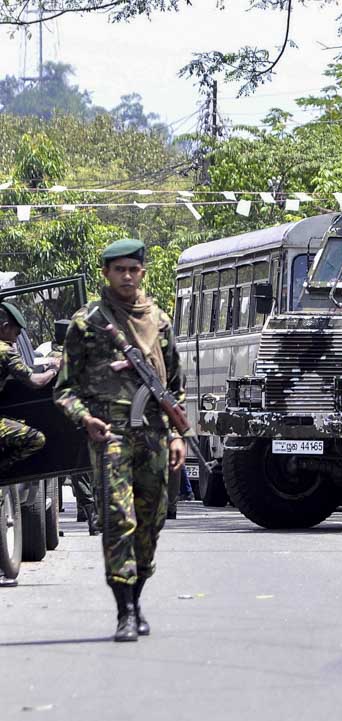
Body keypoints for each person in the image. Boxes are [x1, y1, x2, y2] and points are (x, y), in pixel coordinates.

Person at [54, 238, 187, 642]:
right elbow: (64, 389)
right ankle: (124, 611)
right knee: (118, 518)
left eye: (133, 269)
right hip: (110, 432)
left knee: (151, 521)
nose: (127, 276)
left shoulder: (159, 321)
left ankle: (138, 595)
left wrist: (181, 435)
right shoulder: (87, 322)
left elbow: (176, 386)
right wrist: (86, 419)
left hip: (155, 434)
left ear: (143, 272)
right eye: (119, 270)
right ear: (107, 274)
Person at [0, 301, 60, 476]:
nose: (17, 338)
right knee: (36, 439)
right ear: (5, 328)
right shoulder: (5, 351)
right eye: (16, 333)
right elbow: (35, 381)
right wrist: (54, 370)